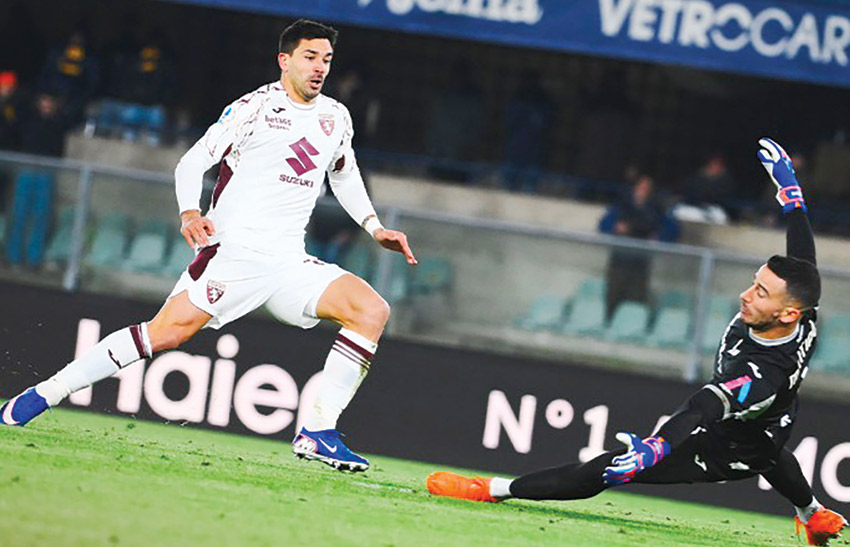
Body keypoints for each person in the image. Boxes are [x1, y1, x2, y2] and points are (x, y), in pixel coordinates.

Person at [1, 20, 418, 474]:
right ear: (284, 60)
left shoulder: (335, 116)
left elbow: (344, 173)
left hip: (289, 262)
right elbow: (192, 161)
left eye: (327, 60)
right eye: (310, 57)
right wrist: (189, 212)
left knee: (370, 310)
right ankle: (46, 392)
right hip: (235, 255)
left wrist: (374, 226)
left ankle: (317, 432)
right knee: (164, 334)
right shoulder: (253, 109)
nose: (320, 67)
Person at [427, 138, 847, 546]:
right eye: (754, 282)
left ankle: (492, 489)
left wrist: (655, 448)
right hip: (771, 422)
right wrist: (792, 197)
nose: (745, 294)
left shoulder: (760, 375)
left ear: (787, 314)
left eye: (760, 292)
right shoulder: (802, 308)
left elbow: (701, 407)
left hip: (724, 447)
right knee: (767, 446)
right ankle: (812, 514)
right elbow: (803, 260)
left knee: (609, 469)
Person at [598, 174, 678, 320]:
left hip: (641, 262)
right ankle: (609, 322)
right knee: (614, 293)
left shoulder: (656, 210)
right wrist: (616, 228)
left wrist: (658, 238)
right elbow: (604, 225)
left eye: (647, 188)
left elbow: (672, 230)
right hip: (620, 260)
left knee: (636, 297)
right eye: (641, 187)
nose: (643, 191)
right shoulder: (622, 206)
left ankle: (631, 323)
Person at [6, 93, 69, 268]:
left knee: (41, 215)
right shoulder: (27, 119)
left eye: (50, 101)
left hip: (46, 171)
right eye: (44, 100)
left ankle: (34, 258)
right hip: (26, 169)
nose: (47, 104)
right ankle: (13, 256)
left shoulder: (59, 123)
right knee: (20, 213)